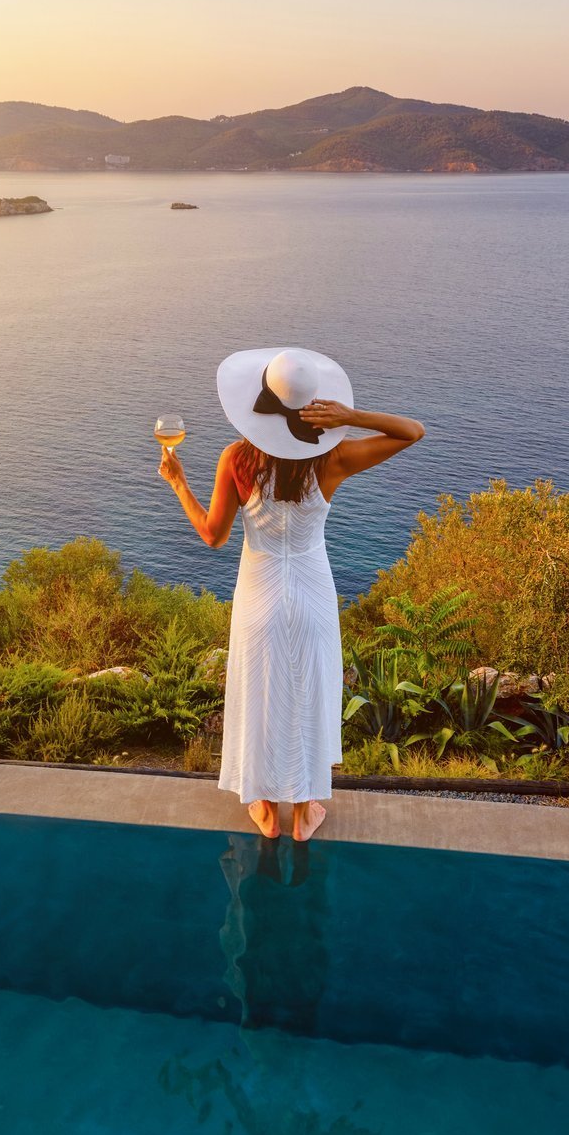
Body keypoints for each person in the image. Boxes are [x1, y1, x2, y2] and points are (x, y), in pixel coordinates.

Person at [160, 347, 424, 841]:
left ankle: (264, 808)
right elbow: (412, 431)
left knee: (259, 696)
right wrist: (350, 417)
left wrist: (178, 483)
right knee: (308, 696)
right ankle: (303, 812)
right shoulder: (334, 458)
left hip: (258, 595)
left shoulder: (236, 459)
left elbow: (213, 536)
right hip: (312, 593)